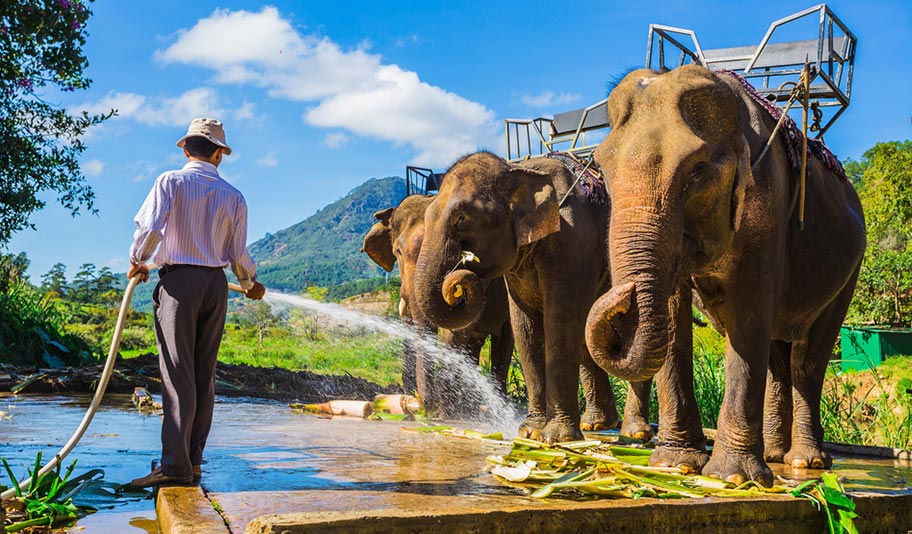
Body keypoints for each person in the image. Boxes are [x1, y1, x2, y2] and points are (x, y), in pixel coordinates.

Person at [128, 118, 266, 488]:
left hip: (179, 285)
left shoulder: (170, 182)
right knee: (204, 376)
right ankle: (193, 461)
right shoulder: (235, 197)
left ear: (187, 148)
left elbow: (152, 230)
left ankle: (175, 467)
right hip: (216, 286)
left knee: (177, 374)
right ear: (219, 155)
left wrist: (137, 260)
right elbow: (238, 253)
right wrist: (249, 283)